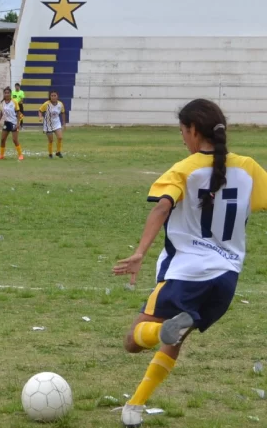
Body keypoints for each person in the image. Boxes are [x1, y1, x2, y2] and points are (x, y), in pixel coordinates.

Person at [112, 99, 267, 428]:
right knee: (177, 336)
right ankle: (135, 407)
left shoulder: (184, 169)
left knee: (135, 338)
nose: (182, 138)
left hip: (185, 273)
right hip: (225, 280)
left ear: (194, 131)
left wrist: (140, 252)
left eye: (183, 132)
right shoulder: (249, 168)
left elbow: (161, 208)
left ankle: (159, 332)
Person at [0, 87, 25, 161]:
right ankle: (1, 155)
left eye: (8, 93)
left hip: (14, 122)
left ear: (10, 94)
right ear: (4, 94)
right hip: (6, 123)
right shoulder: (2, 103)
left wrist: (18, 123)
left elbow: (18, 113)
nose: (7, 94)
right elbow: (1, 113)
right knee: (2, 139)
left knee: (15, 140)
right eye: (5, 93)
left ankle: (20, 155)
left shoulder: (14, 102)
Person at [38, 91, 66, 158]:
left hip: (57, 123)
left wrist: (64, 123)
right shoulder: (46, 104)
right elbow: (40, 110)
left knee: (60, 137)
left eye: (55, 95)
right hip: (48, 124)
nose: (53, 97)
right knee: (51, 140)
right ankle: (50, 154)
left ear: (57, 96)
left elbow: (63, 112)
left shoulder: (60, 104)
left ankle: (58, 152)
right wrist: (40, 117)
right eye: (52, 95)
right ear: (50, 97)